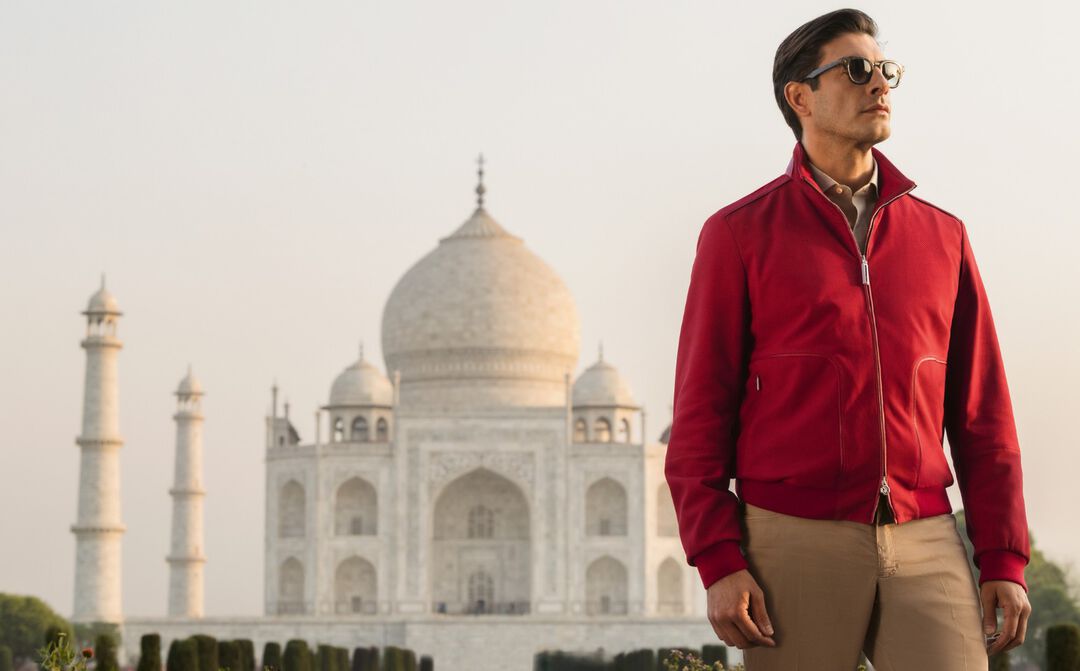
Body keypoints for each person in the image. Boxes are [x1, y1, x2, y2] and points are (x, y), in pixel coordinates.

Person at [663, 8, 1032, 669]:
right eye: (857, 70)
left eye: (886, 69)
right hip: (791, 539)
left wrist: (1003, 556)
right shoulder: (741, 233)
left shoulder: (941, 236)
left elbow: (982, 414)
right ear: (799, 96)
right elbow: (701, 411)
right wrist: (718, 557)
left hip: (925, 537)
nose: (880, 83)